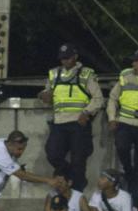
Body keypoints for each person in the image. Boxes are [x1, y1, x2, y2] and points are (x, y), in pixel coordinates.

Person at [41, 44, 105, 189]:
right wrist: (44, 95)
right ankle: (72, 176)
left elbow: (98, 99)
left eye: (68, 58)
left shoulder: (86, 74)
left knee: (79, 160)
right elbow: (46, 93)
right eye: (62, 59)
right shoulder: (54, 74)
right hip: (59, 122)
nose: (65, 61)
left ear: (75, 57)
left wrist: (86, 112)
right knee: (52, 154)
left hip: (78, 123)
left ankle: (77, 190)